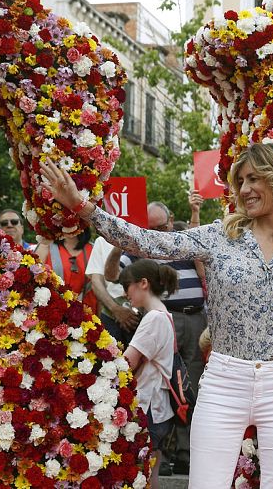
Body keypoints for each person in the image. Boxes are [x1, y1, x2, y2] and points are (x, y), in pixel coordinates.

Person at [40, 141, 273, 489]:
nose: (245, 189)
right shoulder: (220, 236)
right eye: (241, 181)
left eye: (254, 179)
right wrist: (83, 207)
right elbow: (147, 241)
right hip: (224, 382)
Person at [105, 198, 208, 476]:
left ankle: (186, 452)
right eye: (150, 228)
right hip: (165, 316)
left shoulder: (183, 242)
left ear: (171, 221)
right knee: (165, 383)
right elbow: (112, 275)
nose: (156, 233)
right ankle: (166, 451)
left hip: (193, 318)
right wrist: (121, 243)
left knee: (188, 384)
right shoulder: (139, 245)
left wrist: (195, 214)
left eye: (160, 227)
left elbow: (204, 273)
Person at [119, 259, 179, 489]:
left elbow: (128, 361)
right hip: (159, 406)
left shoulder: (154, 318)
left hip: (149, 404)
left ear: (143, 283)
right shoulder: (164, 315)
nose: (125, 293)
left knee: (141, 473)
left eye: (127, 286)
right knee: (151, 474)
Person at [85, 236, 140, 348]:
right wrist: (115, 309)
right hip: (111, 314)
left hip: (143, 313)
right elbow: (96, 281)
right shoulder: (103, 240)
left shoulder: (147, 237)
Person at [35, 227, 96, 311]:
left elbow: (99, 285)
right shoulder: (46, 245)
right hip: (53, 310)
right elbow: (35, 276)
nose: (70, 226)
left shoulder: (93, 249)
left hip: (86, 312)